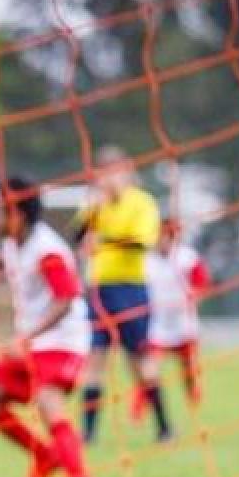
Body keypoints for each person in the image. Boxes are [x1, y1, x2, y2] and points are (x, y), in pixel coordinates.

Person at [0, 178, 96, 477]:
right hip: (32, 342)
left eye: (0, 211)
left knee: (48, 402)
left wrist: (27, 336)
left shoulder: (48, 251)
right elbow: (9, 263)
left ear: (17, 214)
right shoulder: (13, 243)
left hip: (63, 342)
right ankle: (45, 456)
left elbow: (66, 297)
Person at [73, 146, 170, 443]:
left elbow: (143, 242)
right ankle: (89, 435)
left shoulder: (142, 202)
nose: (108, 177)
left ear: (127, 170)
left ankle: (164, 428)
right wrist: (95, 209)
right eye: (103, 171)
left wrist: (104, 239)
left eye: (114, 170)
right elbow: (77, 236)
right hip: (99, 290)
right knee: (94, 360)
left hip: (131, 289)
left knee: (139, 362)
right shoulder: (95, 203)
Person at [144, 218, 210, 409]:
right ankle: (142, 408)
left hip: (184, 323)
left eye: (164, 236)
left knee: (188, 367)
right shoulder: (146, 261)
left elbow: (202, 283)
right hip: (157, 324)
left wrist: (193, 298)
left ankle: (193, 398)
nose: (160, 240)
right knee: (149, 367)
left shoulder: (187, 258)